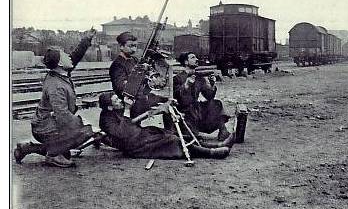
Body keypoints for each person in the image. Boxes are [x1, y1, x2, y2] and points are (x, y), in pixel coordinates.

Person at [14, 29, 99, 167]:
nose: (69, 56)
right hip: (44, 128)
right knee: (86, 132)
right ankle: (53, 156)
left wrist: (86, 40)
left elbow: (75, 56)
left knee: (68, 149)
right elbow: (62, 115)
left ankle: (27, 148)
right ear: (60, 63)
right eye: (65, 55)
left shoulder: (60, 72)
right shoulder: (56, 86)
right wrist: (84, 124)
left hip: (48, 123)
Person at [98, 92, 235, 159]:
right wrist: (128, 110)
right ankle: (211, 153)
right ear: (109, 107)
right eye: (116, 100)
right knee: (173, 141)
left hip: (141, 137)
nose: (120, 101)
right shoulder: (105, 119)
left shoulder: (114, 112)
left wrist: (160, 105)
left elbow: (130, 123)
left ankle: (217, 145)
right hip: (135, 147)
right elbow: (123, 133)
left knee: (174, 135)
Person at [109, 31, 169, 120]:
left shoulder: (134, 59)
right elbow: (122, 88)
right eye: (130, 46)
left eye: (135, 46)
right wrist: (140, 73)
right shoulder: (117, 65)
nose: (134, 49)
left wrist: (152, 80)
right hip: (128, 103)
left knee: (170, 102)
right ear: (121, 46)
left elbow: (144, 80)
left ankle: (171, 132)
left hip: (141, 97)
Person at [174, 52, 232, 141]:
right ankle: (193, 134)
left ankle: (223, 131)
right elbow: (176, 96)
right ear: (186, 62)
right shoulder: (177, 78)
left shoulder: (199, 77)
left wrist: (212, 85)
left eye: (196, 57)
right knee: (192, 137)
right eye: (193, 58)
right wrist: (186, 85)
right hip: (184, 110)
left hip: (196, 109)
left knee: (216, 103)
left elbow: (209, 96)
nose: (196, 59)